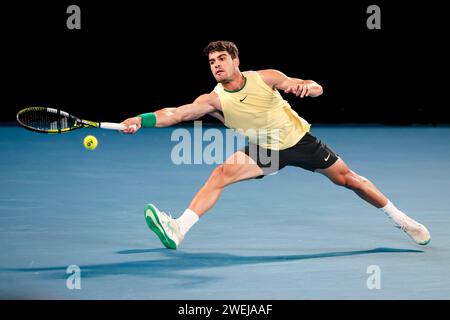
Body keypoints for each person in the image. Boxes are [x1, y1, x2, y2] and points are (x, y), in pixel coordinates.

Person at [121, 40, 430, 249]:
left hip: (300, 142)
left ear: (236, 61)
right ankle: (179, 229)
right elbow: (175, 113)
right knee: (220, 174)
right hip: (264, 151)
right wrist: (139, 118)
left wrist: (308, 88)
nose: (216, 65)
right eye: (212, 62)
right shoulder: (212, 100)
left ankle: (401, 220)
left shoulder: (265, 77)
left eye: (222, 59)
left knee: (350, 180)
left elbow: (315, 86)